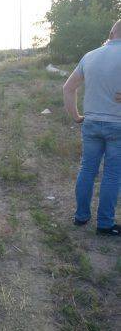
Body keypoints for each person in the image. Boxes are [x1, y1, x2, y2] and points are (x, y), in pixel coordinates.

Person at [63, 19, 121, 236]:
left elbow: (68, 88)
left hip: (92, 122)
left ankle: (81, 216)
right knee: (112, 175)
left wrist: (76, 116)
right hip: (118, 124)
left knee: (87, 169)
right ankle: (105, 224)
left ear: (110, 32)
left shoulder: (90, 56)